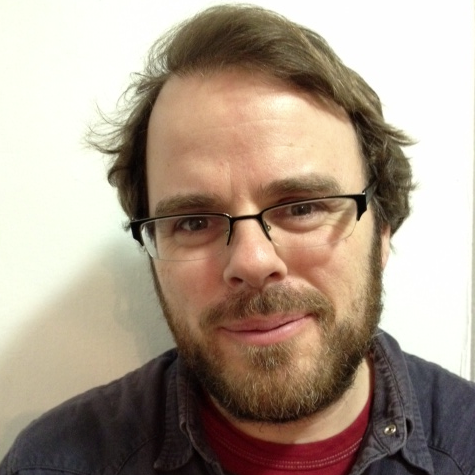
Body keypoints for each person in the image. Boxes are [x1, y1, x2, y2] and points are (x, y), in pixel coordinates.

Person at [1, 4, 474, 474]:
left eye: (302, 208)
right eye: (193, 222)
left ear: (382, 229)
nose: (251, 260)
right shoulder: (51, 464)